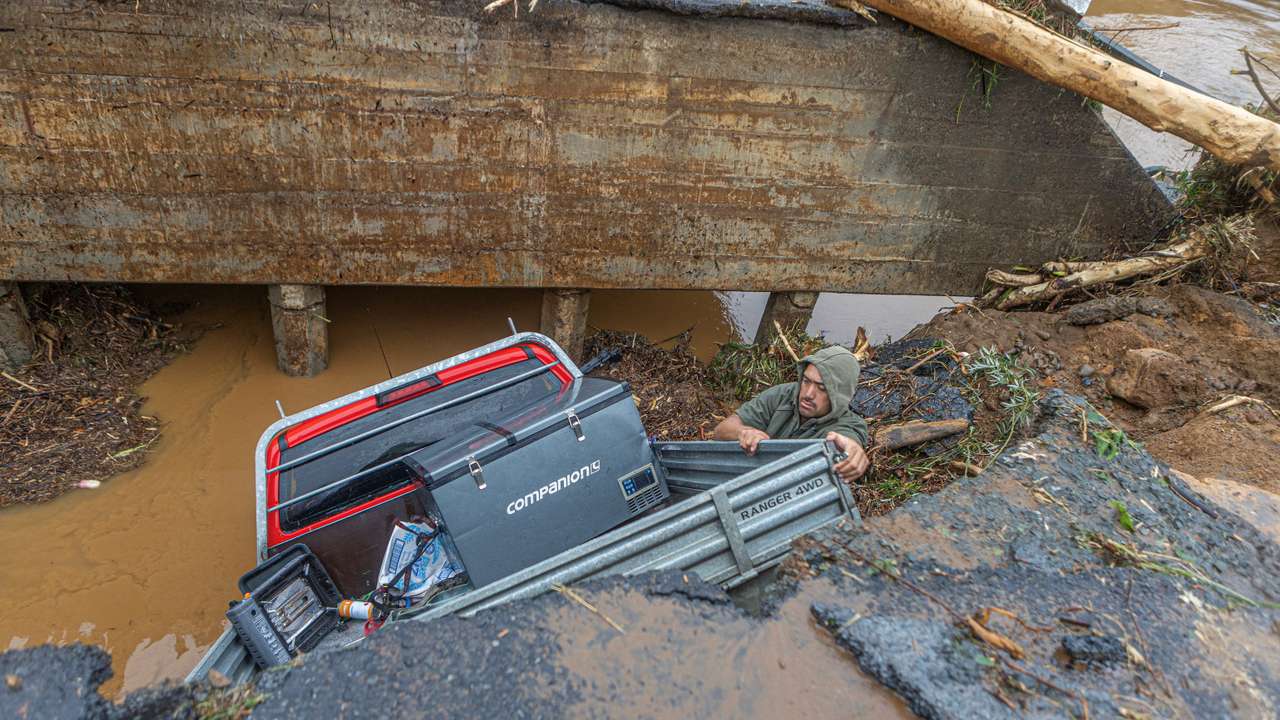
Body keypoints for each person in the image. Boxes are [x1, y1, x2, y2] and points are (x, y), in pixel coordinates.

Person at [713, 345, 870, 482]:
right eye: (806, 381)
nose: (808, 394)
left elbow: (850, 442)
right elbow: (722, 430)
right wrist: (745, 433)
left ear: (839, 395)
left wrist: (853, 452)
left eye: (821, 388)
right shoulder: (783, 394)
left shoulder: (849, 424)